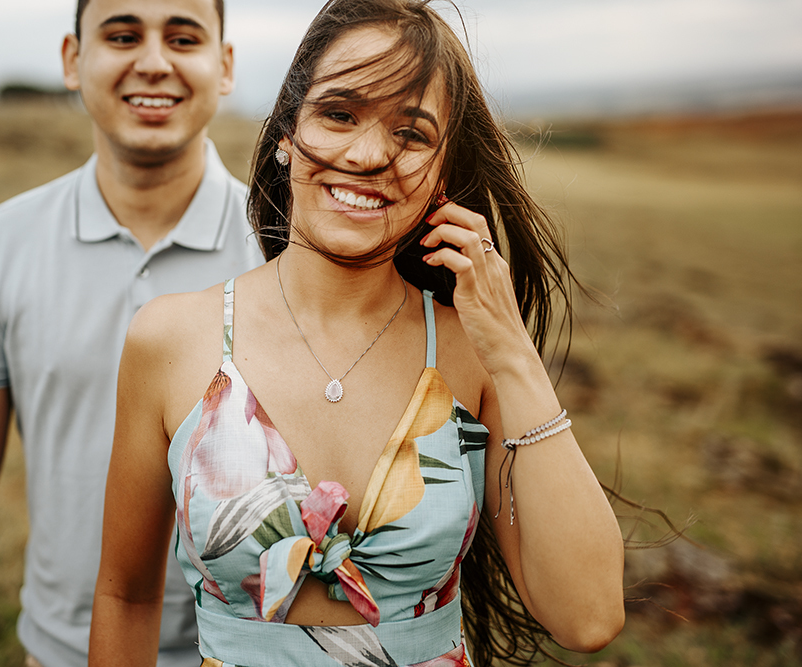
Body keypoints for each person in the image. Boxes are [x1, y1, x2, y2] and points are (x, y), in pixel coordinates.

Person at [90, 0, 626, 665]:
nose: (369, 154)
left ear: (441, 175)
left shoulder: (471, 354)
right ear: (287, 131)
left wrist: (511, 348)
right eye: (339, 113)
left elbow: (590, 614)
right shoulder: (171, 340)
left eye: (412, 133)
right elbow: (126, 597)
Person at [0, 0, 264, 665]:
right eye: (123, 34)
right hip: (57, 652)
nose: (154, 62)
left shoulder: (283, 254)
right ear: (73, 61)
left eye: (184, 36)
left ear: (223, 66)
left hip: (246, 653)